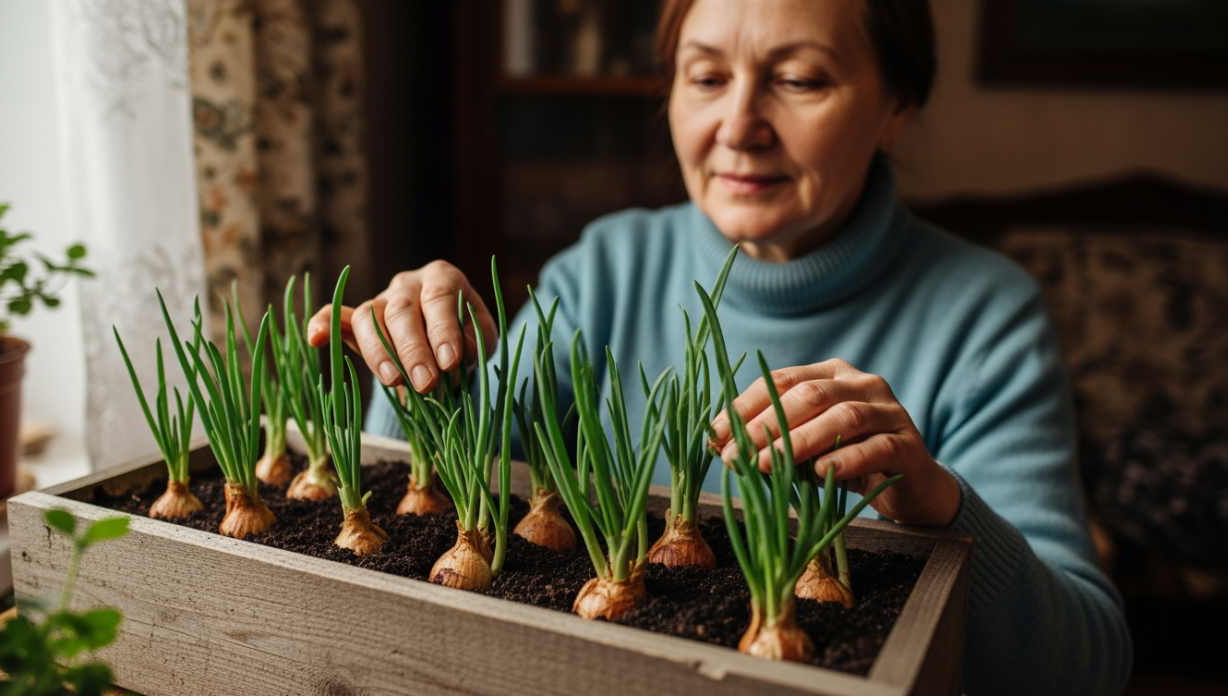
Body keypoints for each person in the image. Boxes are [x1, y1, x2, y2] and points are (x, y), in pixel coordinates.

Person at [308, 1, 1132, 693]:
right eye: (705, 78)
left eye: (799, 79)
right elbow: (436, 508)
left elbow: (1087, 669)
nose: (739, 128)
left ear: (899, 106)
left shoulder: (986, 318)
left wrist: (941, 507)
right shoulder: (605, 269)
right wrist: (421, 367)